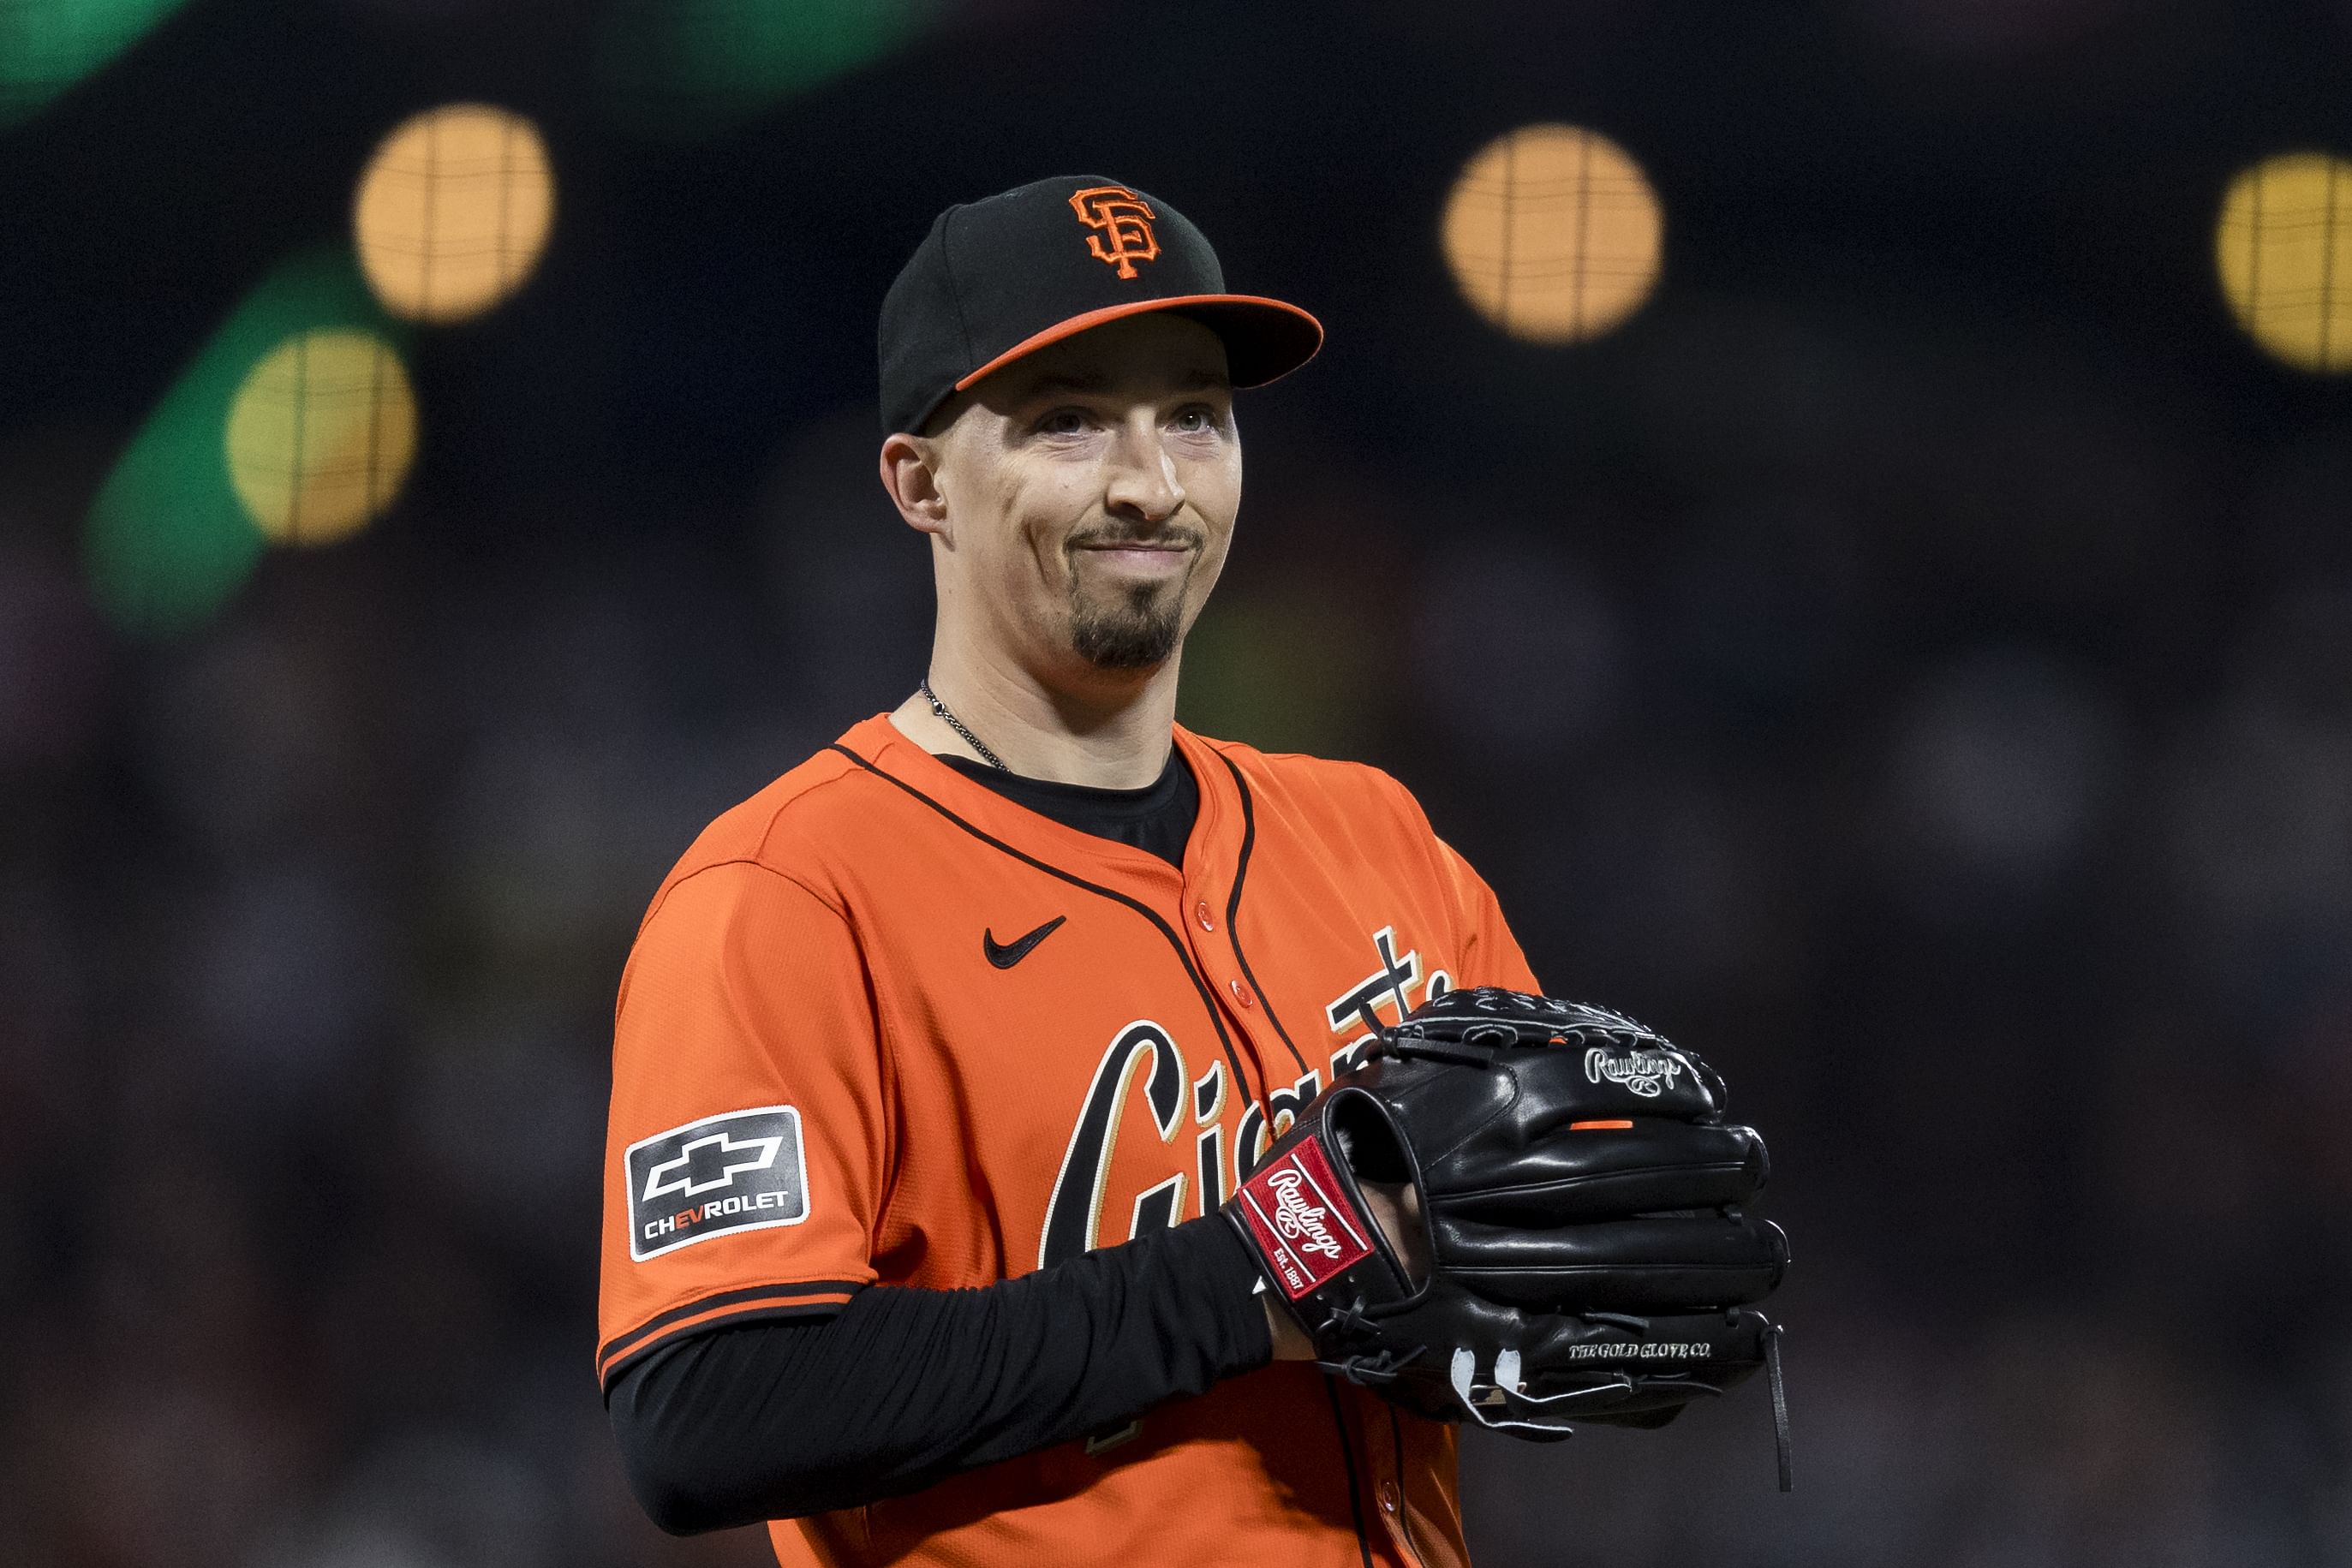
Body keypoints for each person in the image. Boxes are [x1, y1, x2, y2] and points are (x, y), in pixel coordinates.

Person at [598, 176, 1548, 1568]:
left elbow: (1539, 1252)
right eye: (1067, 421)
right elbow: (706, 1408)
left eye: (1194, 417)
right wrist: (1255, 1270)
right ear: (920, 482)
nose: (1148, 482)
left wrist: (1588, 1306)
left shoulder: (1374, 836)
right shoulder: (787, 895)